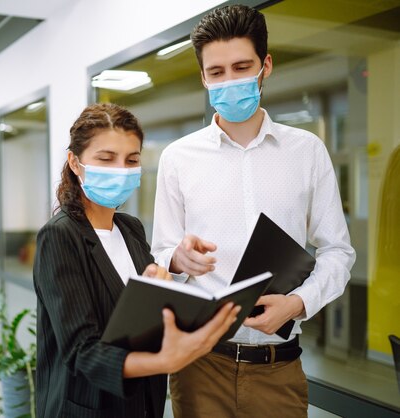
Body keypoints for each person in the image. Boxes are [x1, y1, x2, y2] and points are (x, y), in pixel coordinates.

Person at [151, 5, 356, 417]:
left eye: (241, 67)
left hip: (278, 371)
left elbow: (338, 251)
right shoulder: (178, 158)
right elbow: (161, 255)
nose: (229, 81)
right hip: (198, 364)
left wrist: (297, 303)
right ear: (203, 77)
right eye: (217, 72)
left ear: (266, 66)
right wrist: (176, 257)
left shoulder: (307, 152)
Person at [33, 103, 241, 418]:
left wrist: (170, 275)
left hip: (142, 404)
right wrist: (164, 362)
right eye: (106, 159)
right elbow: (80, 351)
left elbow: (139, 312)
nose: (121, 169)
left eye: (132, 160)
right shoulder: (60, 237)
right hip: (88, 408)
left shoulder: (130, 228)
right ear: (75, 163)